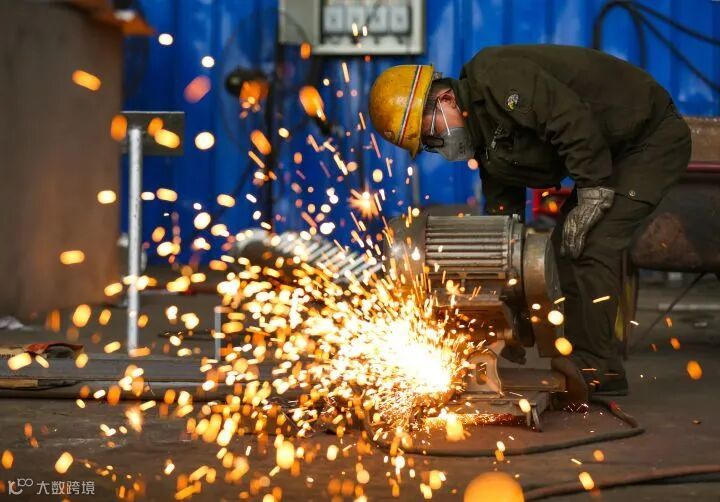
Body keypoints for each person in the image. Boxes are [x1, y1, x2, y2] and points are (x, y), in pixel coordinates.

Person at [368, 45, 691, 401]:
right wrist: (506, 313)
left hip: (649, 139)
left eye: (431, 135)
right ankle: (587, 363)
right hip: (610, 152)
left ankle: (599, 369)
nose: (438, 146)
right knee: (563, 246)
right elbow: (505, 223)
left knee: (591, 243)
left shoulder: (494, 78)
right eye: (428, 146)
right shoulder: (484, 140)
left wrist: (594, 192)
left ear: (445, 100)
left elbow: (570, 120)